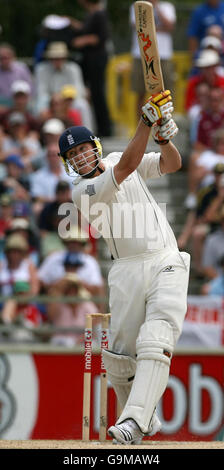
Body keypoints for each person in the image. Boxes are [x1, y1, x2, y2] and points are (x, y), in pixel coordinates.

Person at [58, 90, 190, 444]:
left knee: (157, 338)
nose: (80, 156)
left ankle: (133, 421)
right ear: (69, 163)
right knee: (119, 361)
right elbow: (127, 167)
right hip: (125, 271)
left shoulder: (118, 156)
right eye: (72, 154)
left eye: (83, 148)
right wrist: (145, 123)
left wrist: (163, 140)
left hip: (165, 258)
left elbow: (172, 164)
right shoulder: (82, 193)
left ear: (95, 147)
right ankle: (144, 417)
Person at [70, 0, 112, 136]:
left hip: (97, 59)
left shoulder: (100, 14)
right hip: (89, 59)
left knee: (98, 93)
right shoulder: (91, 14)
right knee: (92, 93)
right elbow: (86, 29)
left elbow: (100, 37)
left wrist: (82, 41)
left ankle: (105, 129)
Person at [129, 0, 176, 117]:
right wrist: (158, 28)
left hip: (163, 56)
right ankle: (140, 128)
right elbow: (140, 28)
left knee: (165, 93)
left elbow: (169, 26)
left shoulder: (167, 6)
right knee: (140, 92)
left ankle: (166, 123)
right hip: (141, 55)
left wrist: (156, 7)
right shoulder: (137, 6)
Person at [34, 41, 93, 129]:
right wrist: (54, 100)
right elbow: (41, 92)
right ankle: (41, 133)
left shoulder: (74, 68)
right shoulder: (41, 69)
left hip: (69, 100)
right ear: (50, 58)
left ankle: (88, 133)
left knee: (82, 105)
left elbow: (78, 90)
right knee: (40, 105)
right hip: (50, 101)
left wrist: (64, 99)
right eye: (55, 58)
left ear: (65, 57)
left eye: (60, 57)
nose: (57, 60)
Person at [47, 272, 98, 347]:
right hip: (61, 340)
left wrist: (78, 341)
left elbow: (95, 323)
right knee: (66, 343)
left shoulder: (86, 304)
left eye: (74, 290)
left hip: (81, 340)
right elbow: (51, 314)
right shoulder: (58, 304)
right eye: (69, 290)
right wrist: (61, 285)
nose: (72, 293)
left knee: (92, 344)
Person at [0, 43, 33, 109]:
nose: (4, 61)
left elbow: (30, 89)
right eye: (1, 58)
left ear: (13, 57)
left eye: (6, 58)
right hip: (2, 103)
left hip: (21, 101)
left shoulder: (22, 68)